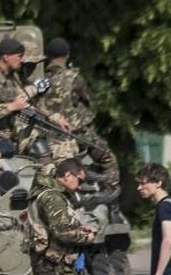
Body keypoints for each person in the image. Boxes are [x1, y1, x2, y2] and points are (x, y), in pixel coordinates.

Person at [36, 37, 120, 191]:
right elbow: (87, 101)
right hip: (75, 132)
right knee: (108, 158)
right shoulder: (73, 78)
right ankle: (110, 197)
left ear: (47, 56)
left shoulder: (40, 80)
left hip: (48, 133)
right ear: (67, 55)